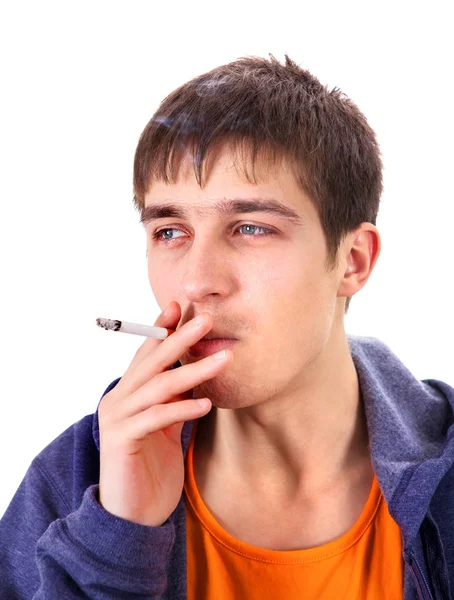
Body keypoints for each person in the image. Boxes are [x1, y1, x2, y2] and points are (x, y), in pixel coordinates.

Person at [0, 54, 453, 600]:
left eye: (250, 228)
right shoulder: (75, 484)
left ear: (352, 260)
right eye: (170, 231)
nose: (196, 282)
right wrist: (118, 539)